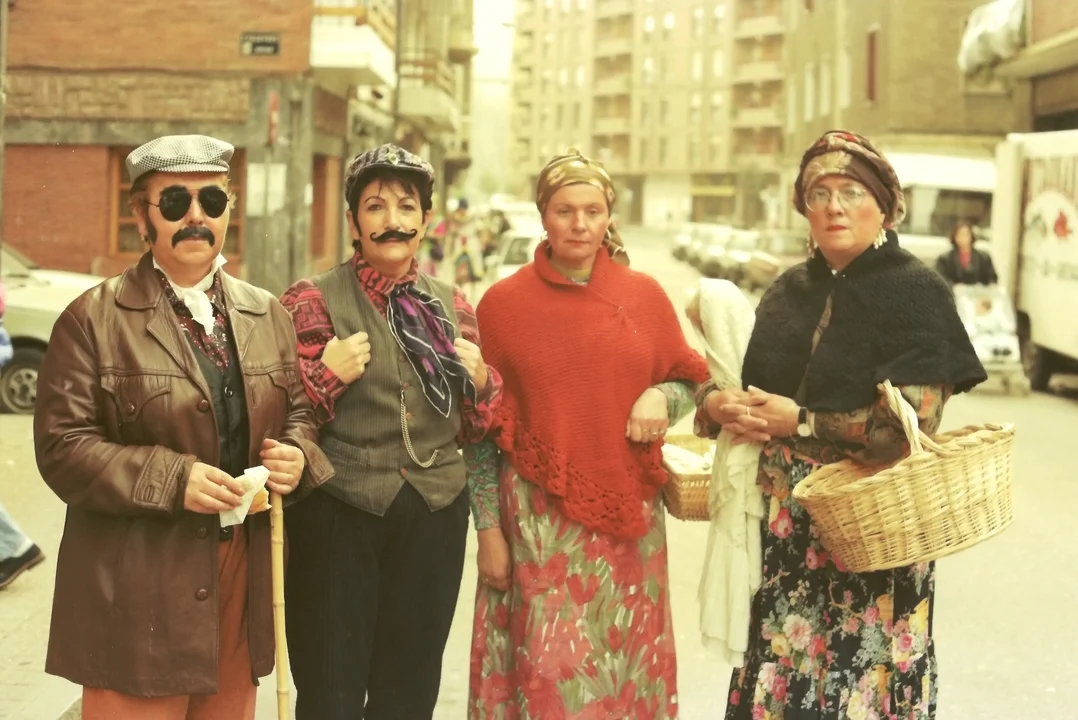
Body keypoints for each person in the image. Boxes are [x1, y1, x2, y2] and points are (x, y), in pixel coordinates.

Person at [33, 135, 332, 720]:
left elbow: (298, 410)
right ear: (141, 214)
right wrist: (173, 478)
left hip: (241, 580)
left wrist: (297, 453)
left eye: (211, 200)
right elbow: (61, 447)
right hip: (138, 585)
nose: (196, 216)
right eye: (174, 201)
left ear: (229, 210)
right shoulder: (91, 319)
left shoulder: (267, 312)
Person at [696, 130, 986, 719]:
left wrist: (800, 421)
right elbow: (744, 384)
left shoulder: (917, 293)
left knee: (861, 681)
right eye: (819, 193)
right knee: (782, 671)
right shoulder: (788, 291)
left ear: (885, 206)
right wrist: (718, 405)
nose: (834, 207)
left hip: (871, 531)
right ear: (803, 207)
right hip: (785, 532)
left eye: (852, 192)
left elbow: (909, 426)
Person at [466, 149, 710, 719]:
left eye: (592, 211)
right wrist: (488, 531)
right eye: (564, 211)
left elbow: (692, 382)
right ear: (543, 216)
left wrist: (662, 396)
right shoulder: (502, 306)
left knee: (623, 674)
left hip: (630, 532)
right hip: (536, 530)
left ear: (608, 218)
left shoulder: (644, 296)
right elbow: (480, 430)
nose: (579, 224)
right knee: (546, 680)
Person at [279, 143, 502, 720]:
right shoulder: (310, 299)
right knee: (330, 692)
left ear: (426, 221)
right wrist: (326, 376)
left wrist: (481, 382)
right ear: (353, 222)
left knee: (409, 693)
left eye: (407, 207)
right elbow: (282, 412)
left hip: (434, 514)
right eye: (375, 207)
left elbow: (477, 426)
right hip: (338, 512)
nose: (393, 221)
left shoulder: (453, 305)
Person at [935, 221, 998, 285]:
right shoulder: (944, 259)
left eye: (966, 234)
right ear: (954, 237)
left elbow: (992, 278)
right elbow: (941, 279)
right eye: (960, 234)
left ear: (971, 236)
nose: (963, 238)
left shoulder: (984, 257)